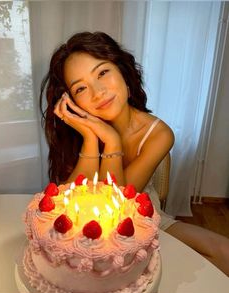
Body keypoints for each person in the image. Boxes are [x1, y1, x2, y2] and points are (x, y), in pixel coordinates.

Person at [40, 31, 229, 276]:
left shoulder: (160, 134)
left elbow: (120, 202)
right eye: (81, 88)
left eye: (103, 72)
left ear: (123, 72)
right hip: (90, 234)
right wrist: (91, 137)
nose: (97, 92)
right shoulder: (78, 132)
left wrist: (111, 140)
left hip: (144, 219)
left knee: (224, 251)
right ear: (72, 102)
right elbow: (75, 195)